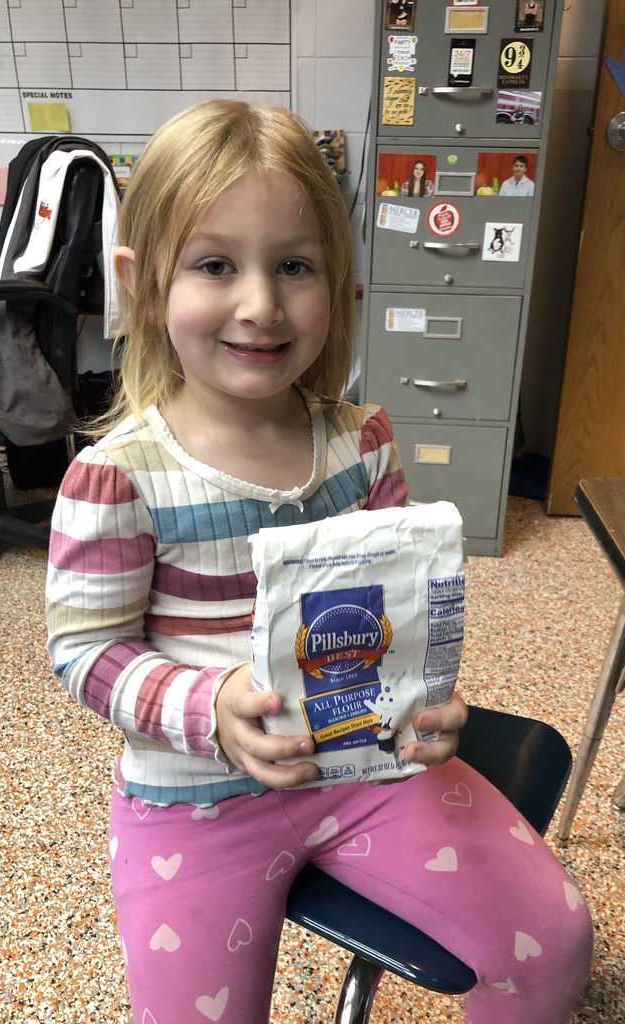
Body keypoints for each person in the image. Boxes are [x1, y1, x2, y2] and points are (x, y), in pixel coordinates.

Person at [46, 99, 592, 1024]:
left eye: (294, 266)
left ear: (341, 290)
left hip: (368, 770)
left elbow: (402, 605)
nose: (260, 304)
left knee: (556, 940)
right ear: (140, 285)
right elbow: (86, 652)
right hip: (195, 805)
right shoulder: (117, 478)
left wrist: (429, 697)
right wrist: (209, 707)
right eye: (215, 265)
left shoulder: (363, 443)